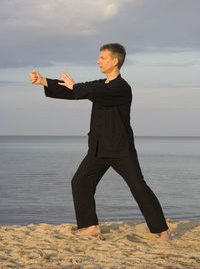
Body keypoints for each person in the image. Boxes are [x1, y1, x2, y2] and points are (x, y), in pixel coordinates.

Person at [30, 43, 171, 241]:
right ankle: (90, 226)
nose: (98, 61)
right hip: (98, 148)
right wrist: (43, 81)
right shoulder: (100, 85)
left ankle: (163, 230)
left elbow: (90, 92)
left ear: (115, 61)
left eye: (102, 57)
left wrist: (78, 87)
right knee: (80, 182)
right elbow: (76, 93)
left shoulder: (121, 88)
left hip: (121, 149)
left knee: (138, 187)